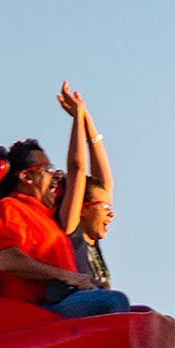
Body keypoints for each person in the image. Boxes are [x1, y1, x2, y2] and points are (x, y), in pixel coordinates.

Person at [0, 130, 130, 319]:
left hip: (64, 300)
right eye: (48, 170)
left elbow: (100, 186)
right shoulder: (7, 208)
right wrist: (65, 276)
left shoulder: (46, 215)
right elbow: (9, 261)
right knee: (113, 302)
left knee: (142, 315)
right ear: (26, 177)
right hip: (36, 312)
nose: (56, 178)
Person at [56, 83, 114, 288]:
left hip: (101, 311)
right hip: (74, 310)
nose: (112, 214)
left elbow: (105, 181)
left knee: (146, 313)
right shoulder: (72, 231)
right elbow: (76, 169)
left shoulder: (92, 241)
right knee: (117, 301)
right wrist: (78, 119)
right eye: (105, 207)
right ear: (83, 210)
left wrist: (86, 118)